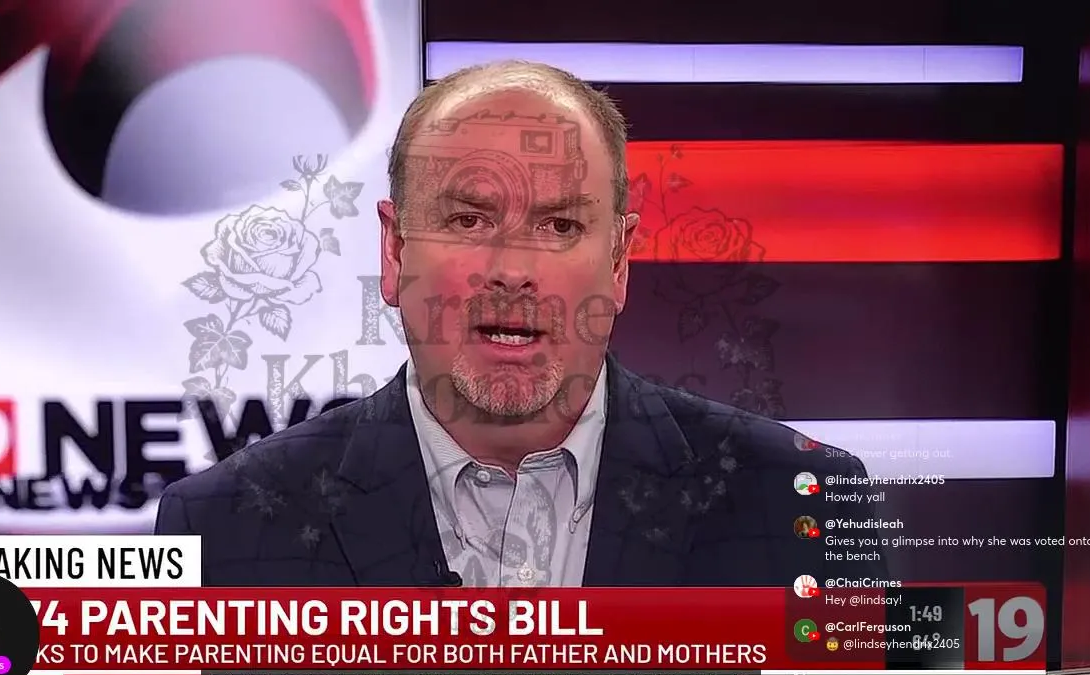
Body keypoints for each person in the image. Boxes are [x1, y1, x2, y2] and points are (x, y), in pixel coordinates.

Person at [156, 60, 887, 588]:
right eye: (468, 220)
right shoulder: (223, 529)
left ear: (619, 261)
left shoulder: (804, 500)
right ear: (395, 251)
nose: (512, 269)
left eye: (560, 225)